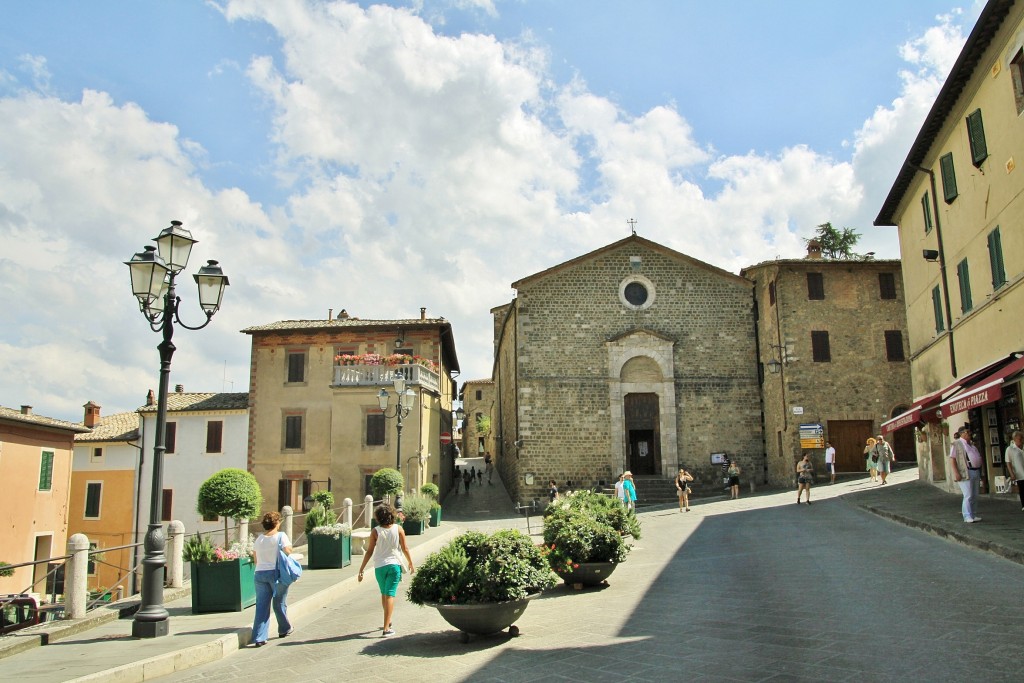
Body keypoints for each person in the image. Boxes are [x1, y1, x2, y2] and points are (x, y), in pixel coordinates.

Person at [357, 503, 415, 637]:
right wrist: (410, 562)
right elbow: (405, 548)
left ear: (378, 517)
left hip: (379, 567)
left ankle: (388, 622)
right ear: (392, 515)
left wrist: (362, 568)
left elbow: (370, 551)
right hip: (394, 566)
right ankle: (386, 629)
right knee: (390, 595)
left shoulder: (375, 531)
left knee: (384, 594)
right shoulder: (398, 529)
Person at [250, 511, 293, 647]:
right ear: (277, 523)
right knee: (279, 602)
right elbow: (288, 551)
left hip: (259, 574)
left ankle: (259, 637)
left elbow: (255, 559)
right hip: (276, 573)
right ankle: (284, 628)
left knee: (261, 606)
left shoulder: (259, 539)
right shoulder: (281, 536)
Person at [950, 427, 983, 523]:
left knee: (975, 495)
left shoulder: (972, 445)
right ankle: (967, 516)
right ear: (961, 434)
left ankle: (973, 514)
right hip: (965, 472)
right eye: (967, 432)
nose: (969, 433)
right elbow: (952, 459)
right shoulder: (956, 444)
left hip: (975, 471)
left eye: (969, 431)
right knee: (968, 495)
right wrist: (956, 473)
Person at [1005, 431, 1024, 511]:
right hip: (1019, 473)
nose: (1022, 440)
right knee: (1022, 489)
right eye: (1020, 438)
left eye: (1022, 438)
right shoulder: (1010, 449)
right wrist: (1011, 473)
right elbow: (1008, 462)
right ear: (1015, 438)